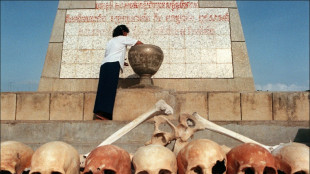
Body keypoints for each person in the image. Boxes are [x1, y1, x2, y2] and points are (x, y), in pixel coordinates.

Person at [93, 25, 143, 120]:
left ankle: (98, 113)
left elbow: (110, 54)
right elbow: (138, 43)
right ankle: (105, 114)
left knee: (102, 89)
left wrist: (122, 61)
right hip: (113, 65)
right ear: (123, 32)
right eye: (126, 33)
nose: (127, 34)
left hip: (105, 65)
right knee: (110, 88)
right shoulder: (122, 38)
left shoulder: (110, 41)